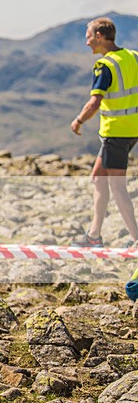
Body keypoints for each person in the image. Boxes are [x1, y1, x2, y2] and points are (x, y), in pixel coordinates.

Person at [71, 17, 138, 248]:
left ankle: (137, 239)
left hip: (116, 133)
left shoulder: (105, 65)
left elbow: (94, 102)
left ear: (99, 36)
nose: (87, 42)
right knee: (98, 178)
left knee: (117, 187)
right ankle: (94, 235)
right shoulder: (133, 56)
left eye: (88, 36)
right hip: (132, 130)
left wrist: (78, 121)